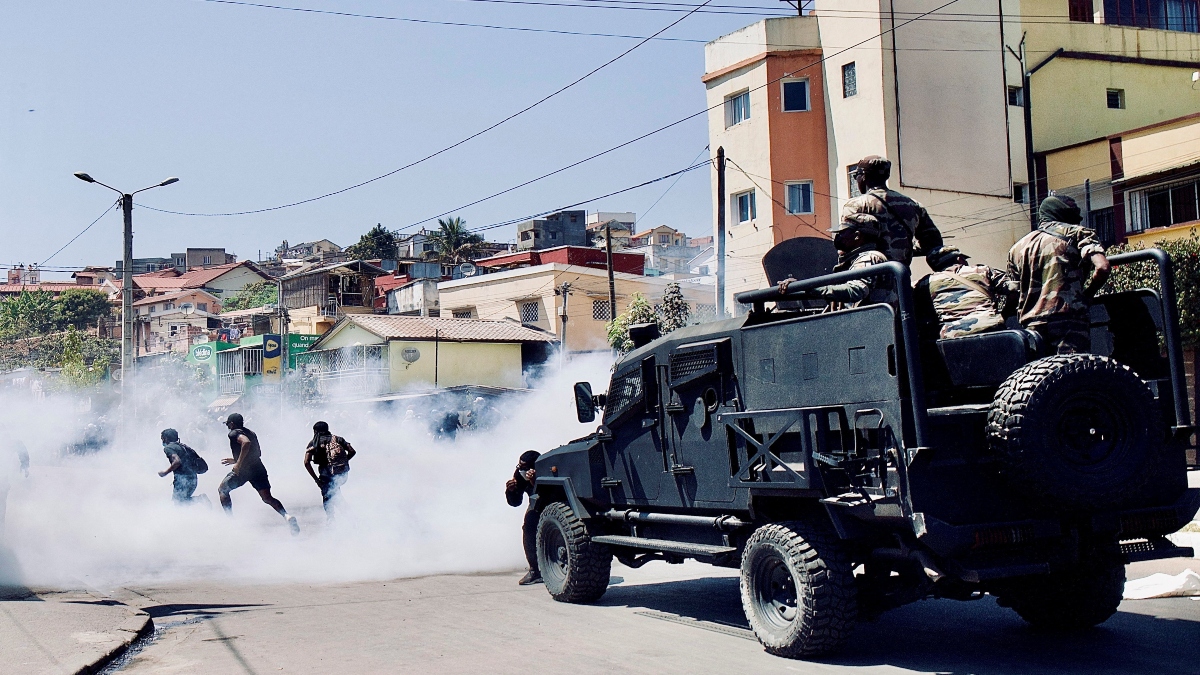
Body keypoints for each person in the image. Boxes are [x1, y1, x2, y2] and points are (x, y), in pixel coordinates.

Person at [1008, 194, 1110, 354]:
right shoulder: (1077, 233)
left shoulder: (1017, 248)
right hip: (1068, 322)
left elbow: (1013, 293)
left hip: (1032, 327)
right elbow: (1103, 267)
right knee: (1073, 375)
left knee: (1042, 377)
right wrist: (1087, 296)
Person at [841, 155, 944, 267]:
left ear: (864, 176)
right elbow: (933, 242)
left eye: (856, 176)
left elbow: (844, 246)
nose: (856, 180)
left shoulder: (855, 205)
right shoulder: (913, 205)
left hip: (867, 276)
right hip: (900, 277)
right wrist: (903, 249)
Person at [784, 213, 895, 309]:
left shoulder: (869, 257)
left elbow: (856, 290)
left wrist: (808, 287)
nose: (837, 236)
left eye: (842, 232)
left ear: (857, 236)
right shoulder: (856, 260)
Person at [218, 413, 299, 535]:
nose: (228, 426)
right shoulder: (251, 432)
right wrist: (235, 460)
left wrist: (238, 464)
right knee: (267, 498)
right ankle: (287, 516)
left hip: (244, 470)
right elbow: (257, 453)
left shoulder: (234, 433)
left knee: (222, 490)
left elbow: (246, 443)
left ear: (232, 424)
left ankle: (230, 522)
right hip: (258, 468)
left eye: (228, 424)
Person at [916, 245, 1013, 339]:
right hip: (992, 329)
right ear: (959, 259)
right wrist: (1003, 314)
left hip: (952, 338)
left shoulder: (925, 283)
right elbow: (1014, 290)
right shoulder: (982, 270)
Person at [303, 421, 356, 517]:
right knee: (335, 494)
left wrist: (316, 480)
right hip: (341, 474)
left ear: (315, 431)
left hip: (325, 475)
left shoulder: (314, 443)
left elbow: (306, 462)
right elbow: (352, 451)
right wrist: (343, 461)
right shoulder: (338, 439)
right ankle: (347, 518)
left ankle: (338, 518)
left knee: (329, 497)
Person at [505, 450, 541, 586]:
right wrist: (511, 491)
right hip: (536, 504)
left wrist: (535, 482)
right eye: (519, 467)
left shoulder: (545, 470)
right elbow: (515, 502)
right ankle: (535, 569)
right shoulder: (519, 475)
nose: (521, 470)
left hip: (553, 503)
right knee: (529, 526)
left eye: (524, 467)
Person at [158, 428, 199, 503]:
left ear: (166, 438)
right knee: (182, 502)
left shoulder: (169, 448)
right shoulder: (183, 446)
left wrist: (165, 472)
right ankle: (199, 500)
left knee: (178, 503)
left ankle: (200, 500)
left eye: (162, 438)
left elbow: (177, 461)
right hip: (193, 478)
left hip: (183, 480)